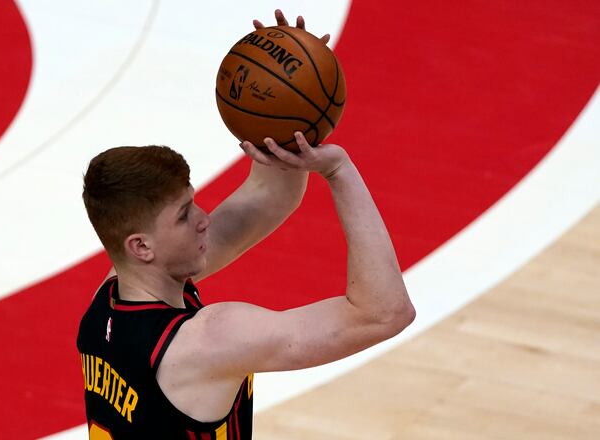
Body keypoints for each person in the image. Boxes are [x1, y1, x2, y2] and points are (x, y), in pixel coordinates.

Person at [77, 10, 415, 439]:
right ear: (141, 246)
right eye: (184, 215)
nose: (204, 219)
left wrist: (284, 102)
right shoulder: (212, 341)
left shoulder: (108, 300)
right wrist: (339, 171)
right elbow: (384, 313)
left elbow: (266, 198)